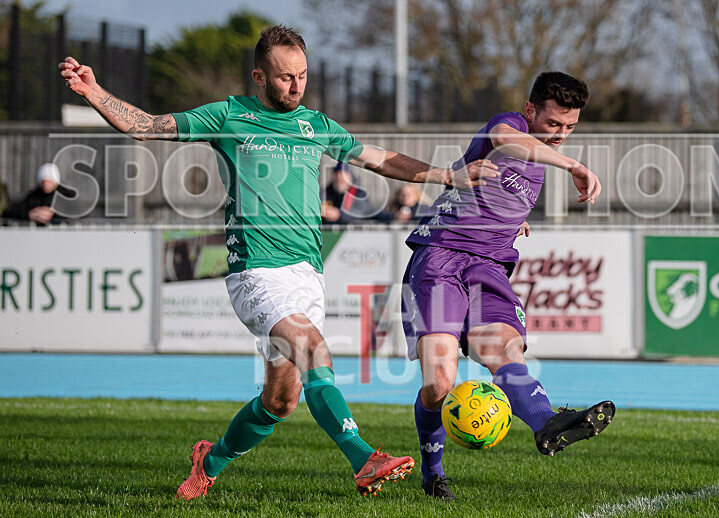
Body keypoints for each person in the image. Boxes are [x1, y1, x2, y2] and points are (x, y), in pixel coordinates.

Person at [59, 25, 506, 499]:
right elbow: (146, 125)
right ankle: (363, 458)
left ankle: (207, 463)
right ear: (259, 76)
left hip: (306, 275)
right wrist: (94, 91)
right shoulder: (229, 116)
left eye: (302, 76)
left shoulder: (317, 125)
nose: (296, 86)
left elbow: (378, 159)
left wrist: (446, 176)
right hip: (255, 272)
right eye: (285, 77)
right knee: (315, 349)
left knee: (279, 401)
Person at [401, 71, 614, 500]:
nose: (560, 136)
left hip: (490, 268)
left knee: (503, 351)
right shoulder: (510, 125)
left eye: (570, 128)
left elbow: (508, 180)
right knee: (440, 384)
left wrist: (514, 217)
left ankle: (547, 422)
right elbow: (508, 143)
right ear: (531, 110)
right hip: (440, 260)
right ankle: (433, 471)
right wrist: (573, 164)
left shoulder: (540, 156)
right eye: (554, 124)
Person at [2, 163, 75, 225]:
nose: (46, 184)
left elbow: (78, 214)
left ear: (56, 181)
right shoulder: (34, 196)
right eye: (43, 181)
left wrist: (53, 215)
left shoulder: (67, 197)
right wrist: (29, 214)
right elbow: (10, 211)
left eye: (49, 181)